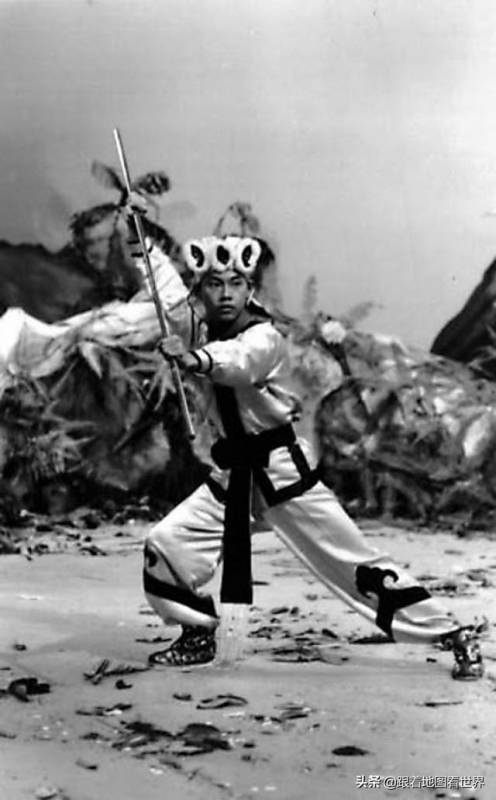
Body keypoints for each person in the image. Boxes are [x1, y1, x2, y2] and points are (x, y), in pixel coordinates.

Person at [127, 207, 484, 679]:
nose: (226, 293)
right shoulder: (199, 325)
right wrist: (141, 242)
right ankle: (197, 633)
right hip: (234, 477)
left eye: (235, 283)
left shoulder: (265, 337)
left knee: (357, 566)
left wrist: (192, 359)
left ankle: (451, 633)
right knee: (166, 544)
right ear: (202, 290)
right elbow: (168, 297)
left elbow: (239, 364)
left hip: (282, 475)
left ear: (249, 288)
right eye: (214, 284)